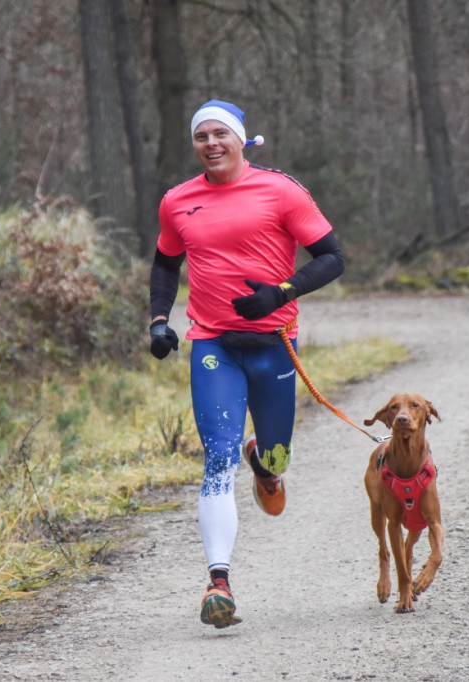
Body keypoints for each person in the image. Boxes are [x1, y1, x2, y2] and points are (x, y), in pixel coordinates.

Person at [147, 99, 344, 629]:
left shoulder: (281, 190)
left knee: (277, 456)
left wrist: (281, 293)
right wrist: (158, 322)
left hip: (273, 340)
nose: (210, 144)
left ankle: (267, 464)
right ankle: (219, 583)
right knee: (217, 456)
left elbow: (332, 258)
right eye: (201, 137)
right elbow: (166, 263)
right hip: (213, 344)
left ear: (240, 140)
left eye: (220, 135)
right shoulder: (177, 201)